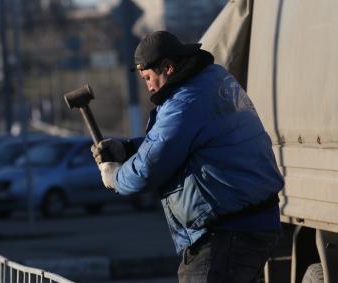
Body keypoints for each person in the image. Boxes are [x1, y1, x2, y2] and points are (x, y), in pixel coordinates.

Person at [91, 31, 284, 283]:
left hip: (226, 234)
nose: (147, 85)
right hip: (251, 224)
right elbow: (183, 140)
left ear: (168, 67)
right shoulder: (212, 79)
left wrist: (115, 177)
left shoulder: (184, 103)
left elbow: (149, 168)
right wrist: (127, 149)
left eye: (148, 77)